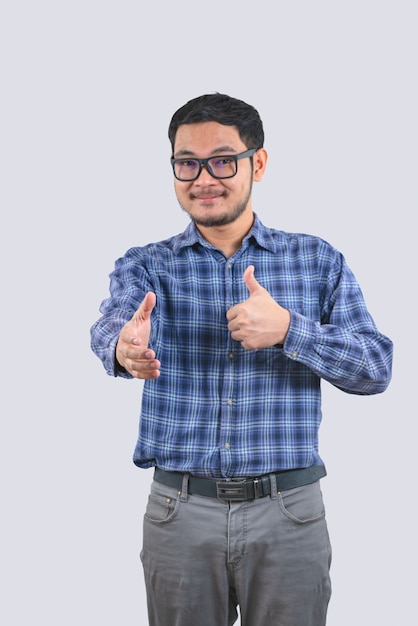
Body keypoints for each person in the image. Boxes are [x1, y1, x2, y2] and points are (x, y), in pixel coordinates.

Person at [90, 93, 393, 626]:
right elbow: (112, 323)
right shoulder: (146, 265)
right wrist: (123, 347)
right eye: (187, 163)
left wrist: (290, 331)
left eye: (222, 160)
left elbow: (375, 367)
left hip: (290, 512)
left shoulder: (316, 260)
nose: (204, 177)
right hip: (179, 513)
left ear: (258, 162)